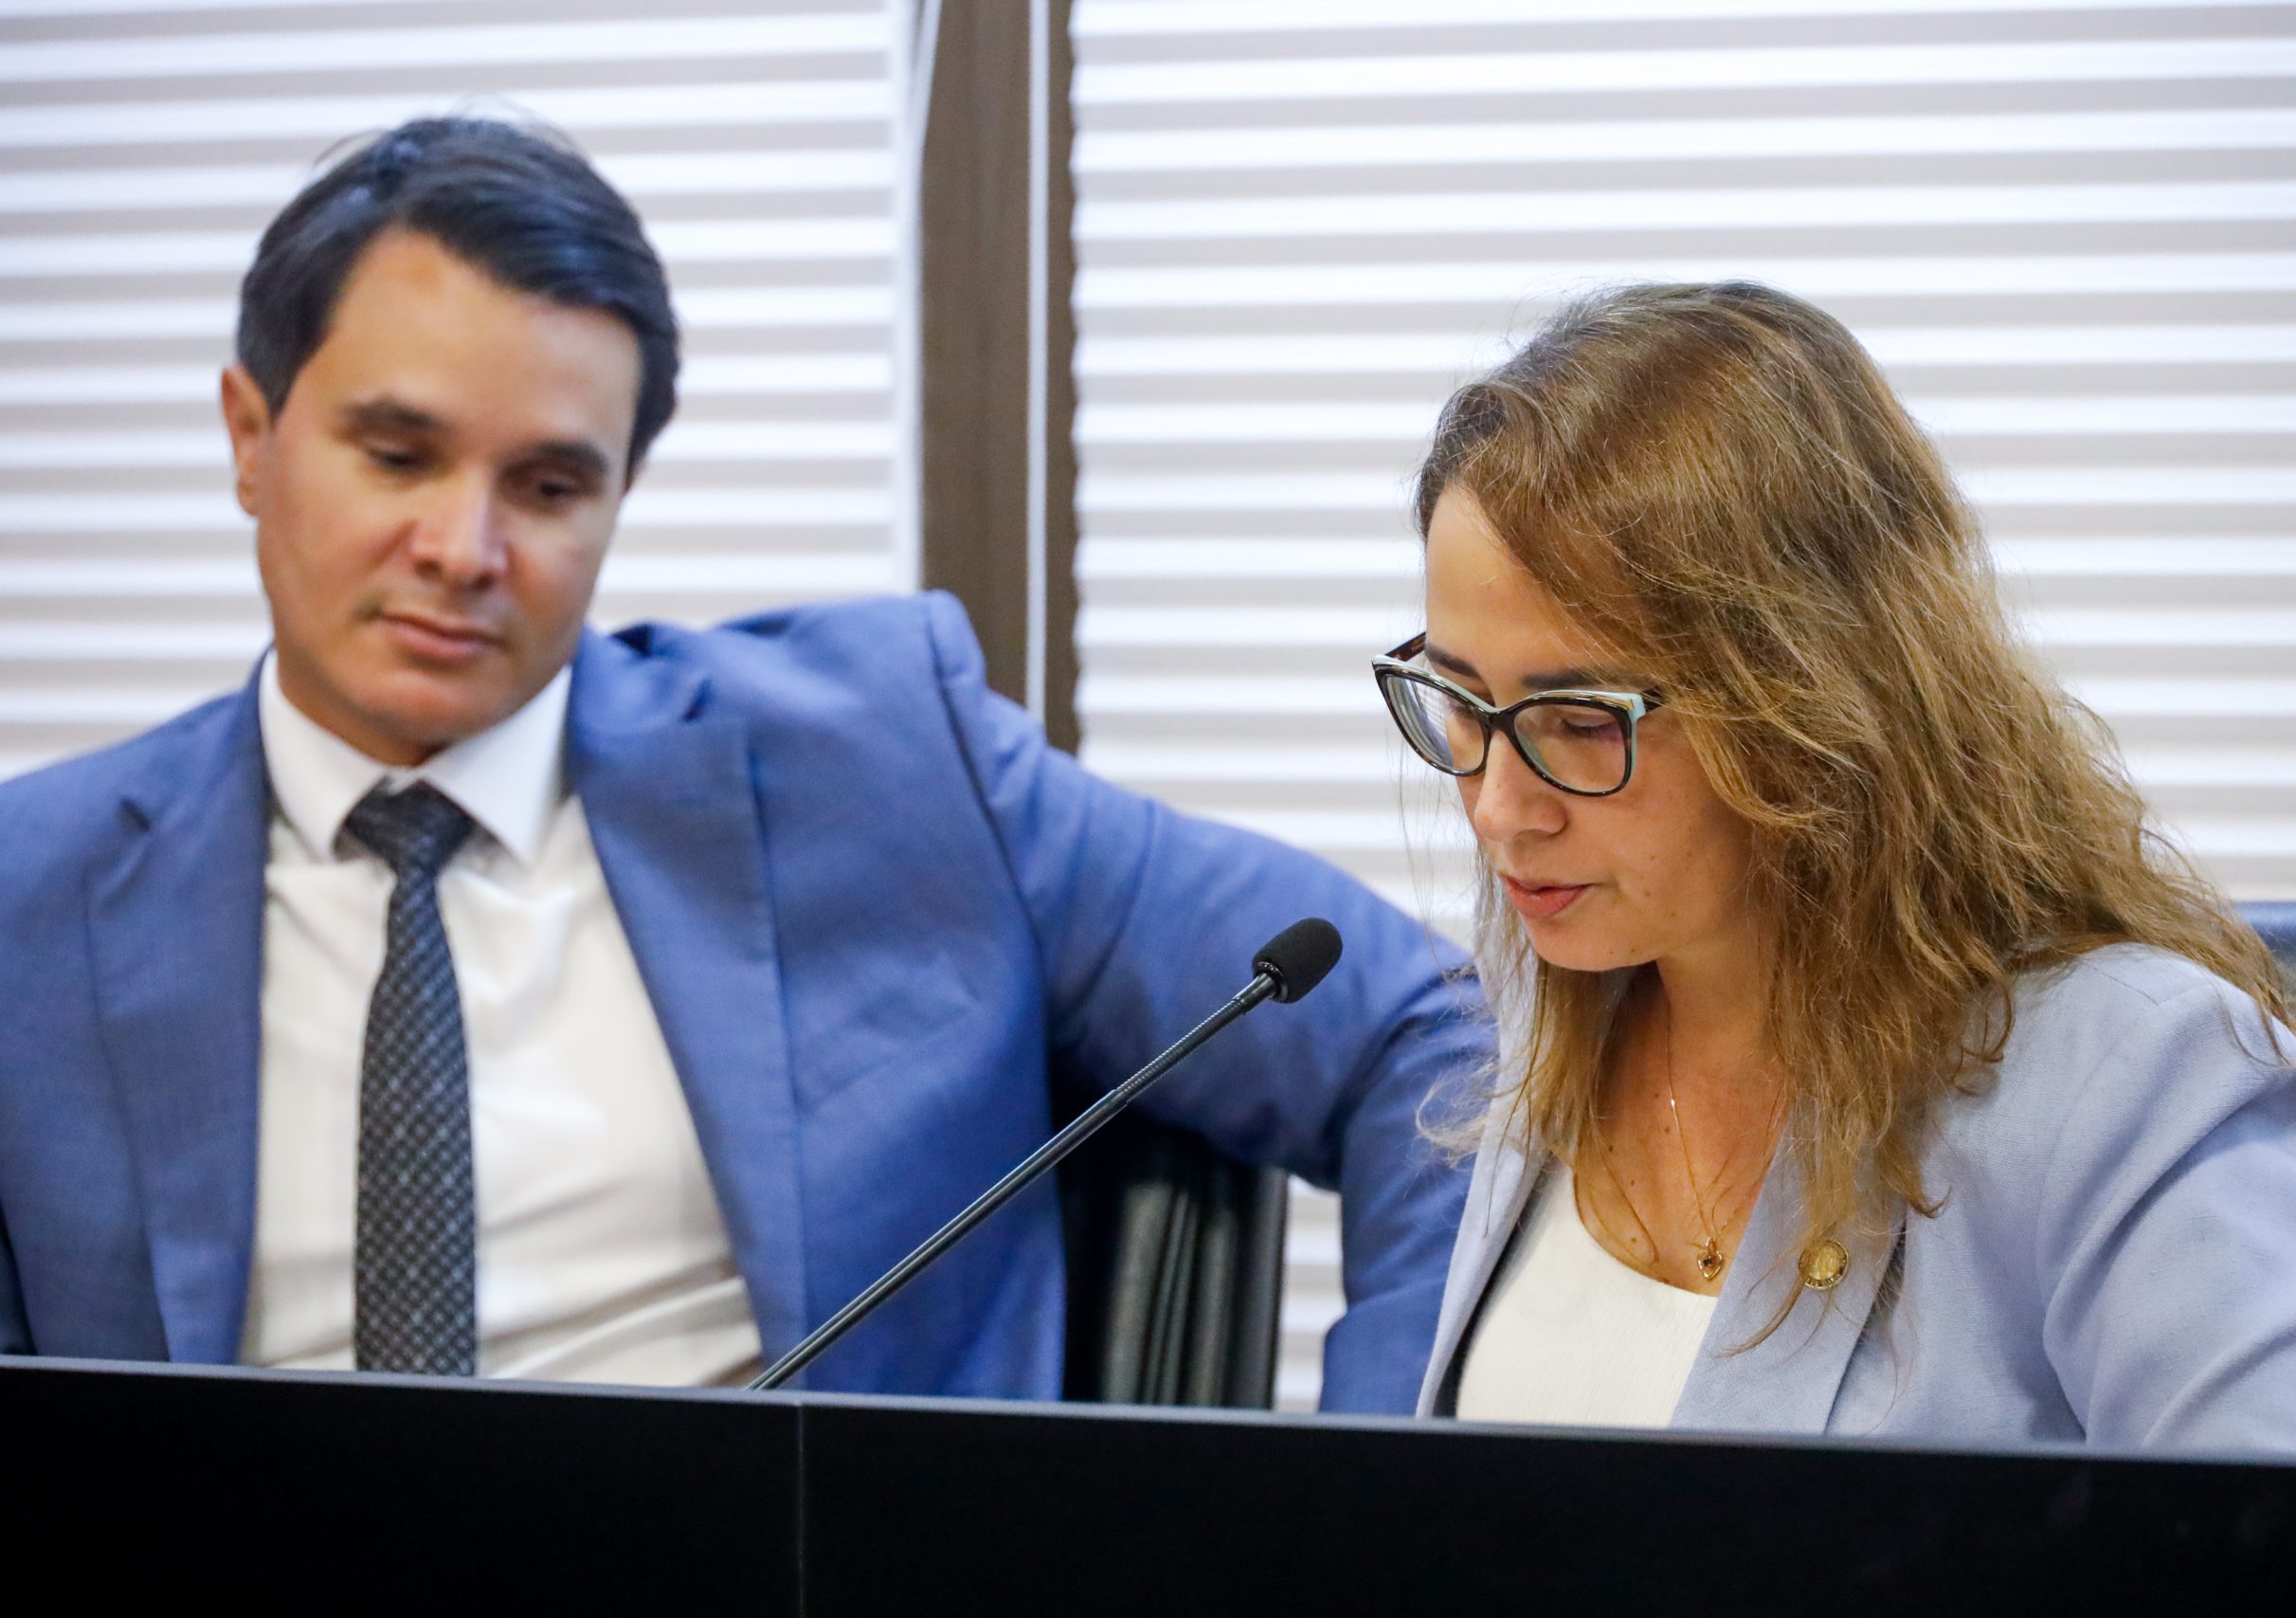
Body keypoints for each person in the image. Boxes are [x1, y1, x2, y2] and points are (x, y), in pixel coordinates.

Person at [0, 118, 1481, 1412]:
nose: (463, 548)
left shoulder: (887, 759)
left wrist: (1379, 1494)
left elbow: (1420, 1031)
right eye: (398, 456)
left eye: (549, 484)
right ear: (250, 436)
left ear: (620, 493)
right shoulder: (32, 900)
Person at [1383, 281, 2296, 1449]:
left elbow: (2285, 1543)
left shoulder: (2133, 1079)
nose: (1498, 811)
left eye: (1578, 721)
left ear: (1807, 699)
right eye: (1458, 700)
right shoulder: (1569, 986)